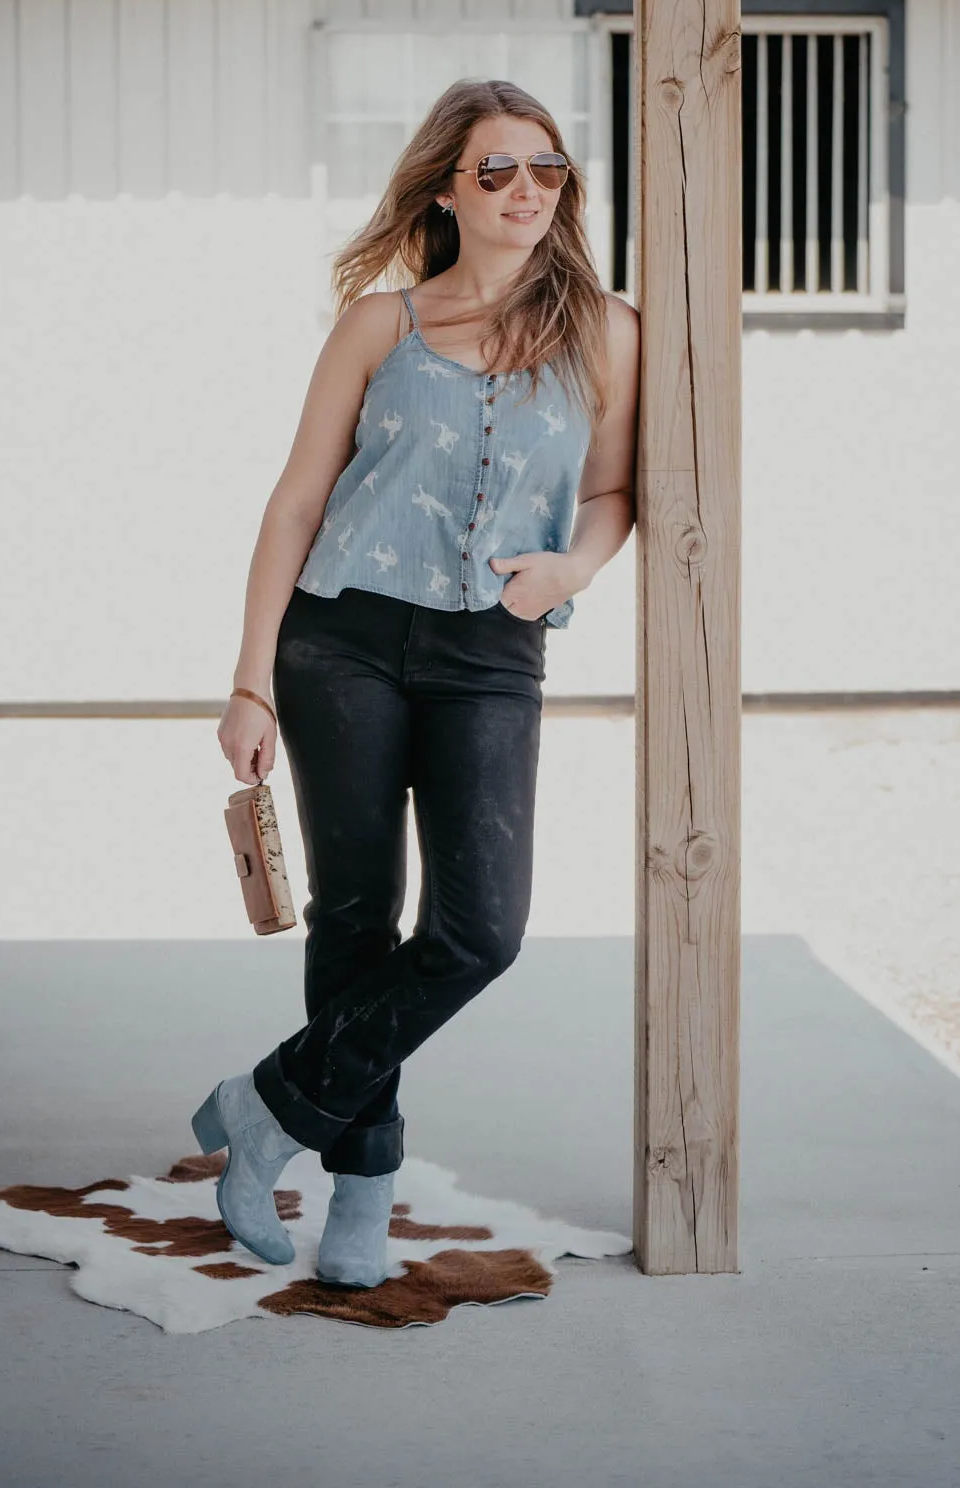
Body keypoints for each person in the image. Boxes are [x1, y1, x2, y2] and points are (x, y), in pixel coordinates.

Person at [198, 77, 639, 1290]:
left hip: (494, 650)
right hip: (340, 640)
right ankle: (366, 1187)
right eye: (497, 170)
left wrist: (572, 570)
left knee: (479, 930)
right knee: (355, 915)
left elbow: (612, 492)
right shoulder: (378, 325)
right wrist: (250, 687)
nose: (525, 191)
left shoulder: (609, 330)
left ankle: (266, 1107)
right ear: (447, 187)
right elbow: (295, 503)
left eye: (546, 169)